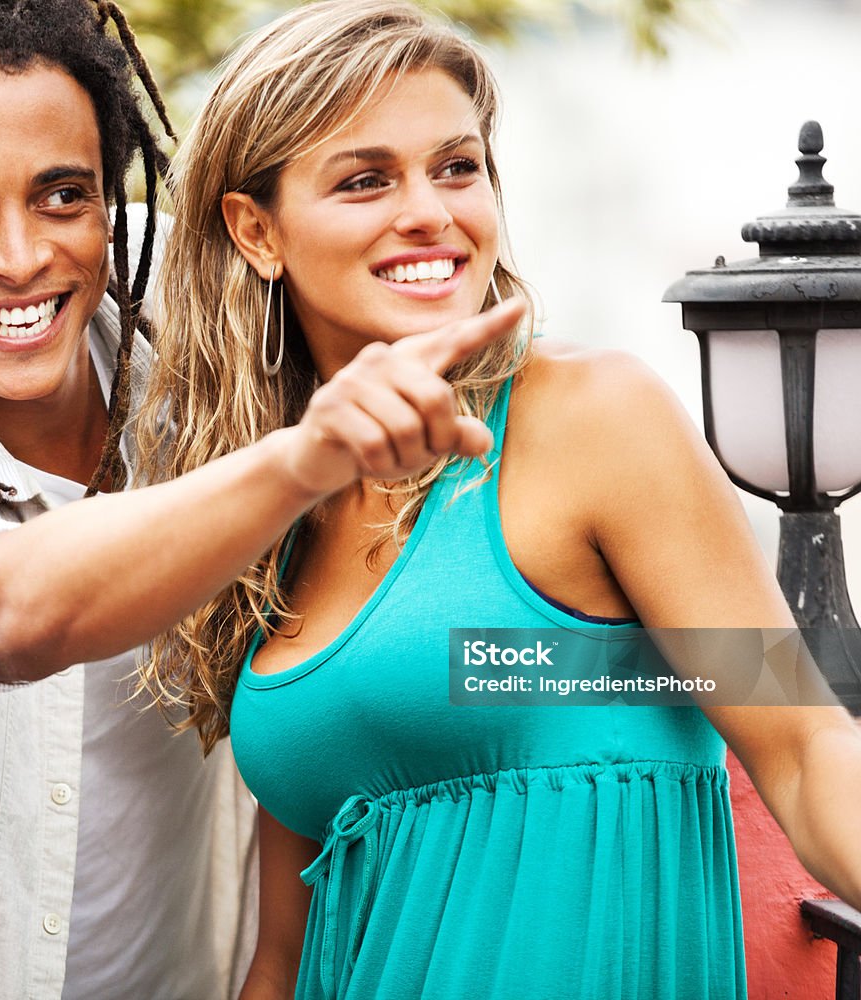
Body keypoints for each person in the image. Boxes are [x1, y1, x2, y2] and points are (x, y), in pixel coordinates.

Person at [135, 3, 861, 998]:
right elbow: (283, 953)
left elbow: (803, 741)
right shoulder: (280, 502)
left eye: (456, 167)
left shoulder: (594, 418)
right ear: (255, 231)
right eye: (364, 179)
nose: (431, 211)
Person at [0, 1, 522, 997]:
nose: (23, 257)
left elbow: (369, 269)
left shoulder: (192, 315)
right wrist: (300, 458)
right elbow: (6, 613)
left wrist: (663, 672)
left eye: (64, 195)